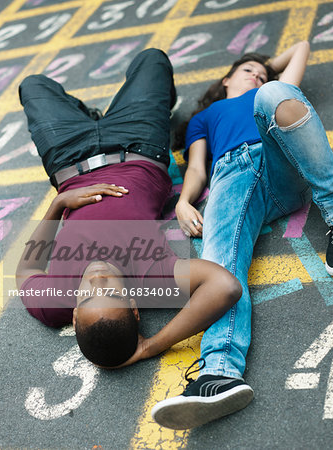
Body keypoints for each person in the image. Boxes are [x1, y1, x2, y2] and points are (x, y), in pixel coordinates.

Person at [16, 48, 241, 399]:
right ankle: (128, 113)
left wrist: (58, 205)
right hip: (138, 145)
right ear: (135, 308)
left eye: (89, 294)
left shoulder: (55, 300)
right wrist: (150, 346)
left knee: (32, 84)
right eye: (113, 292)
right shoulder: (152, 281)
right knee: (152, 59)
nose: (98, 278)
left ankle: (87, 118)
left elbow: (26, 272)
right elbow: (225, 287)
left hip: (68, 157)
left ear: (74, 315)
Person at [151, 41, 333, 429]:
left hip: (279, 157)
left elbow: (300, 47)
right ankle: (219, 372)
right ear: (225, 78)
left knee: (277, 94)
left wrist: (265, 72)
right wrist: (185, 201)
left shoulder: (264, 93)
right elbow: (198, 168)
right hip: (231, 176)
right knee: (220, 263)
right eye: (247, 69)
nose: (257, 73)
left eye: (262, 70)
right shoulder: (207, 115)